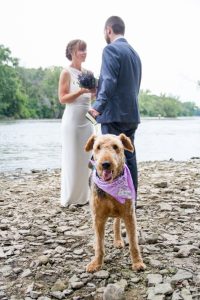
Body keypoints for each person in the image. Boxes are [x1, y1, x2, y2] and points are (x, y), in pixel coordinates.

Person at [89, 16, 142, 199]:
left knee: (107, 156)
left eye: (104, 31)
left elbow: (110, 81)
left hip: (113, 115)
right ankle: (130, 200)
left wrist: (98, 106)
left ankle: (109, 200)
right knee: (129, 158)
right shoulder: (134, 53)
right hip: (131, 115)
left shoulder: (110, 50)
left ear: (108, 30)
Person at [58, 39, 94, 207]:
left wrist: (94, 92)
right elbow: (62, 98)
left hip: (87, 121)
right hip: (72, 121)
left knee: (86, 158)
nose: (84, 53)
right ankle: (71, 197)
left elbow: (92, 97)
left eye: (85, 50)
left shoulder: (89, 72)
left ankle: (86, 196)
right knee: (73, 157)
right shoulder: (66, 72)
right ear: (72, 52)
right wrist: (80, 91)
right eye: (81, 50)